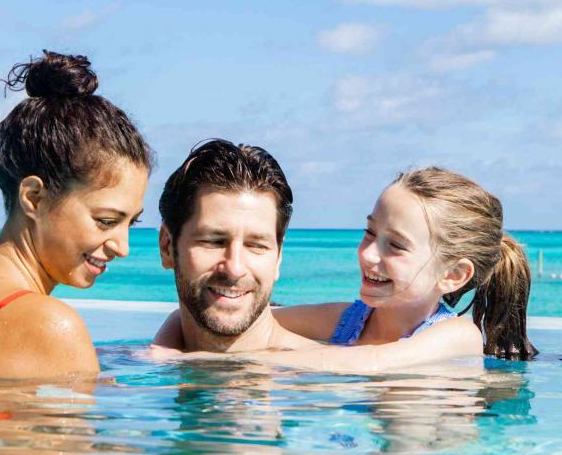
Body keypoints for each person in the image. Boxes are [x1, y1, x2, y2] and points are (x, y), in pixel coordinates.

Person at [0, 51, 152, 380]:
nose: (122, 247)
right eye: (106, 221)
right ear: (33, 197)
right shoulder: (48, 323)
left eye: (131, 223)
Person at [267, 166, 538, 369]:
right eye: (370, 232)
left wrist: (250, 361)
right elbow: (263, 323)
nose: (369, 253)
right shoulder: (347, 321)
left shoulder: (458, 336)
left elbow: (371, 363)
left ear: (453, 275)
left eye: (396, 245)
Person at [152, 139, 318, 354]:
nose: (235, 268)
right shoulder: (127, 370)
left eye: (256, 245)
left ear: (278, 257)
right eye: (213, 241)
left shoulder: (327, 378)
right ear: (167, 247)